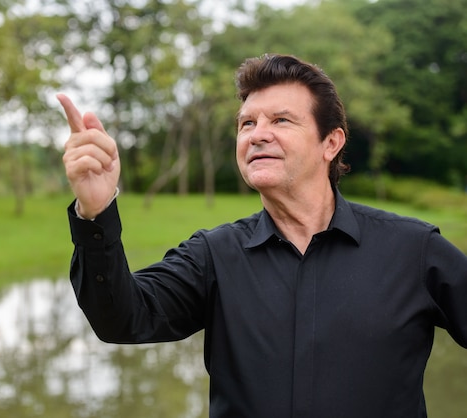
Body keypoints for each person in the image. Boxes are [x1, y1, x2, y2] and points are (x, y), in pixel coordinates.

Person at [57, 54, 467, 417]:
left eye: (281, 120)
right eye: (247, 123)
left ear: (331, 142)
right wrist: (96, 211)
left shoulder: (413, 249)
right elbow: (122, 319)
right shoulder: (213, 255)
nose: (256, 134)